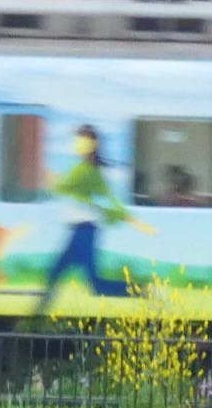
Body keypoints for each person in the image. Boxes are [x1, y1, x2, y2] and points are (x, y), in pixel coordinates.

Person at [34, 124, 152, 317]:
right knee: (56, 274)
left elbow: (63, 187)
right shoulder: (88, 169)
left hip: (85, 230)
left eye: (80, 141)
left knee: (93, 284)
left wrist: (47, 176)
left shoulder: (87, 171)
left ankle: (142, 290)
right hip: (79, 230)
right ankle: (35, 318)